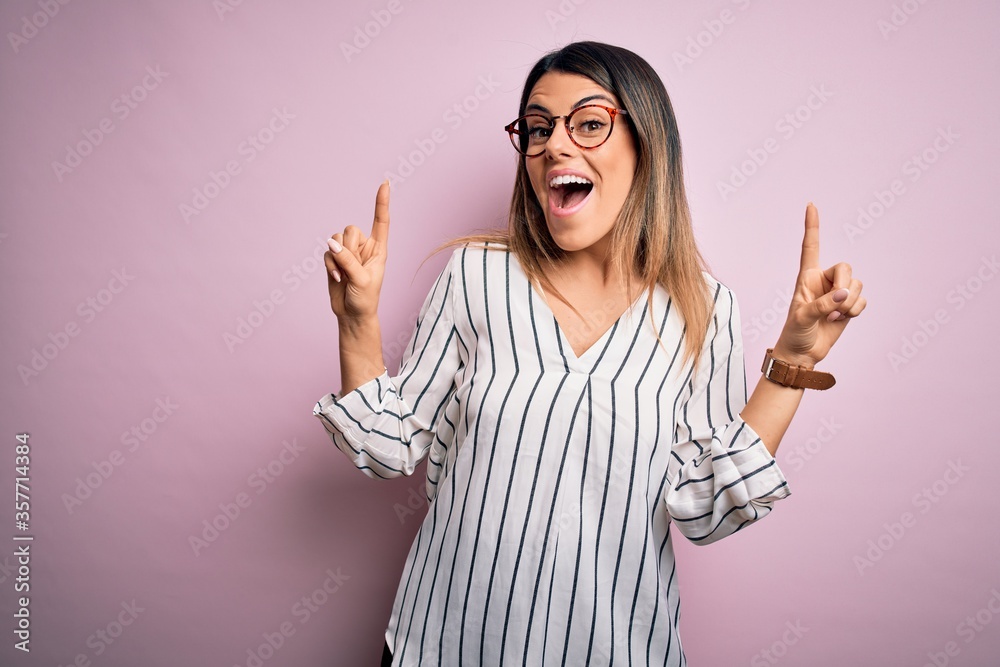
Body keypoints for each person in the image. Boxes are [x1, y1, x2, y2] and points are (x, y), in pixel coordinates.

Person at [313, 41, 865, 666]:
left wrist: (793, 363)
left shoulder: (704, 312)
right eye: (539, 128)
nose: (554, 145)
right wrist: (356, 319)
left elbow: (705, 508)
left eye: (591, 123)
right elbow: (387, 448)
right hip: (440, 647)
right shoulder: (476, 278)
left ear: (646, 143)